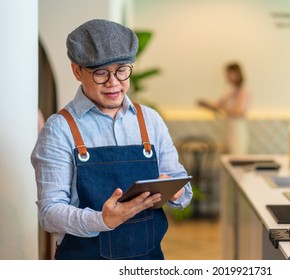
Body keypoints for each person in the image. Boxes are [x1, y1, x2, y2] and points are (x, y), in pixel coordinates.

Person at [31, 19, 192, 260]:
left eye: (122, 70)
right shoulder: (59, 129)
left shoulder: (150, 120)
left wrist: (175, 191)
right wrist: (102, 220)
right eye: (100, 73)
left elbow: (182, 186)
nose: (113, 83)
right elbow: (49, 212)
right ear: (77, 70)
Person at [198, 62, 249, 154]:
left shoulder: (242, 92)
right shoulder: (229, 91)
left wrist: (222, 108)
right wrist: (206, 105)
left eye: (230, 73)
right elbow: (218, 105)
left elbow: (239, 112)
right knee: (226, 155)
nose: (227, 76)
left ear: (237, 74)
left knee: (236, 156)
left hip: (236, 130)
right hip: (227, 128)